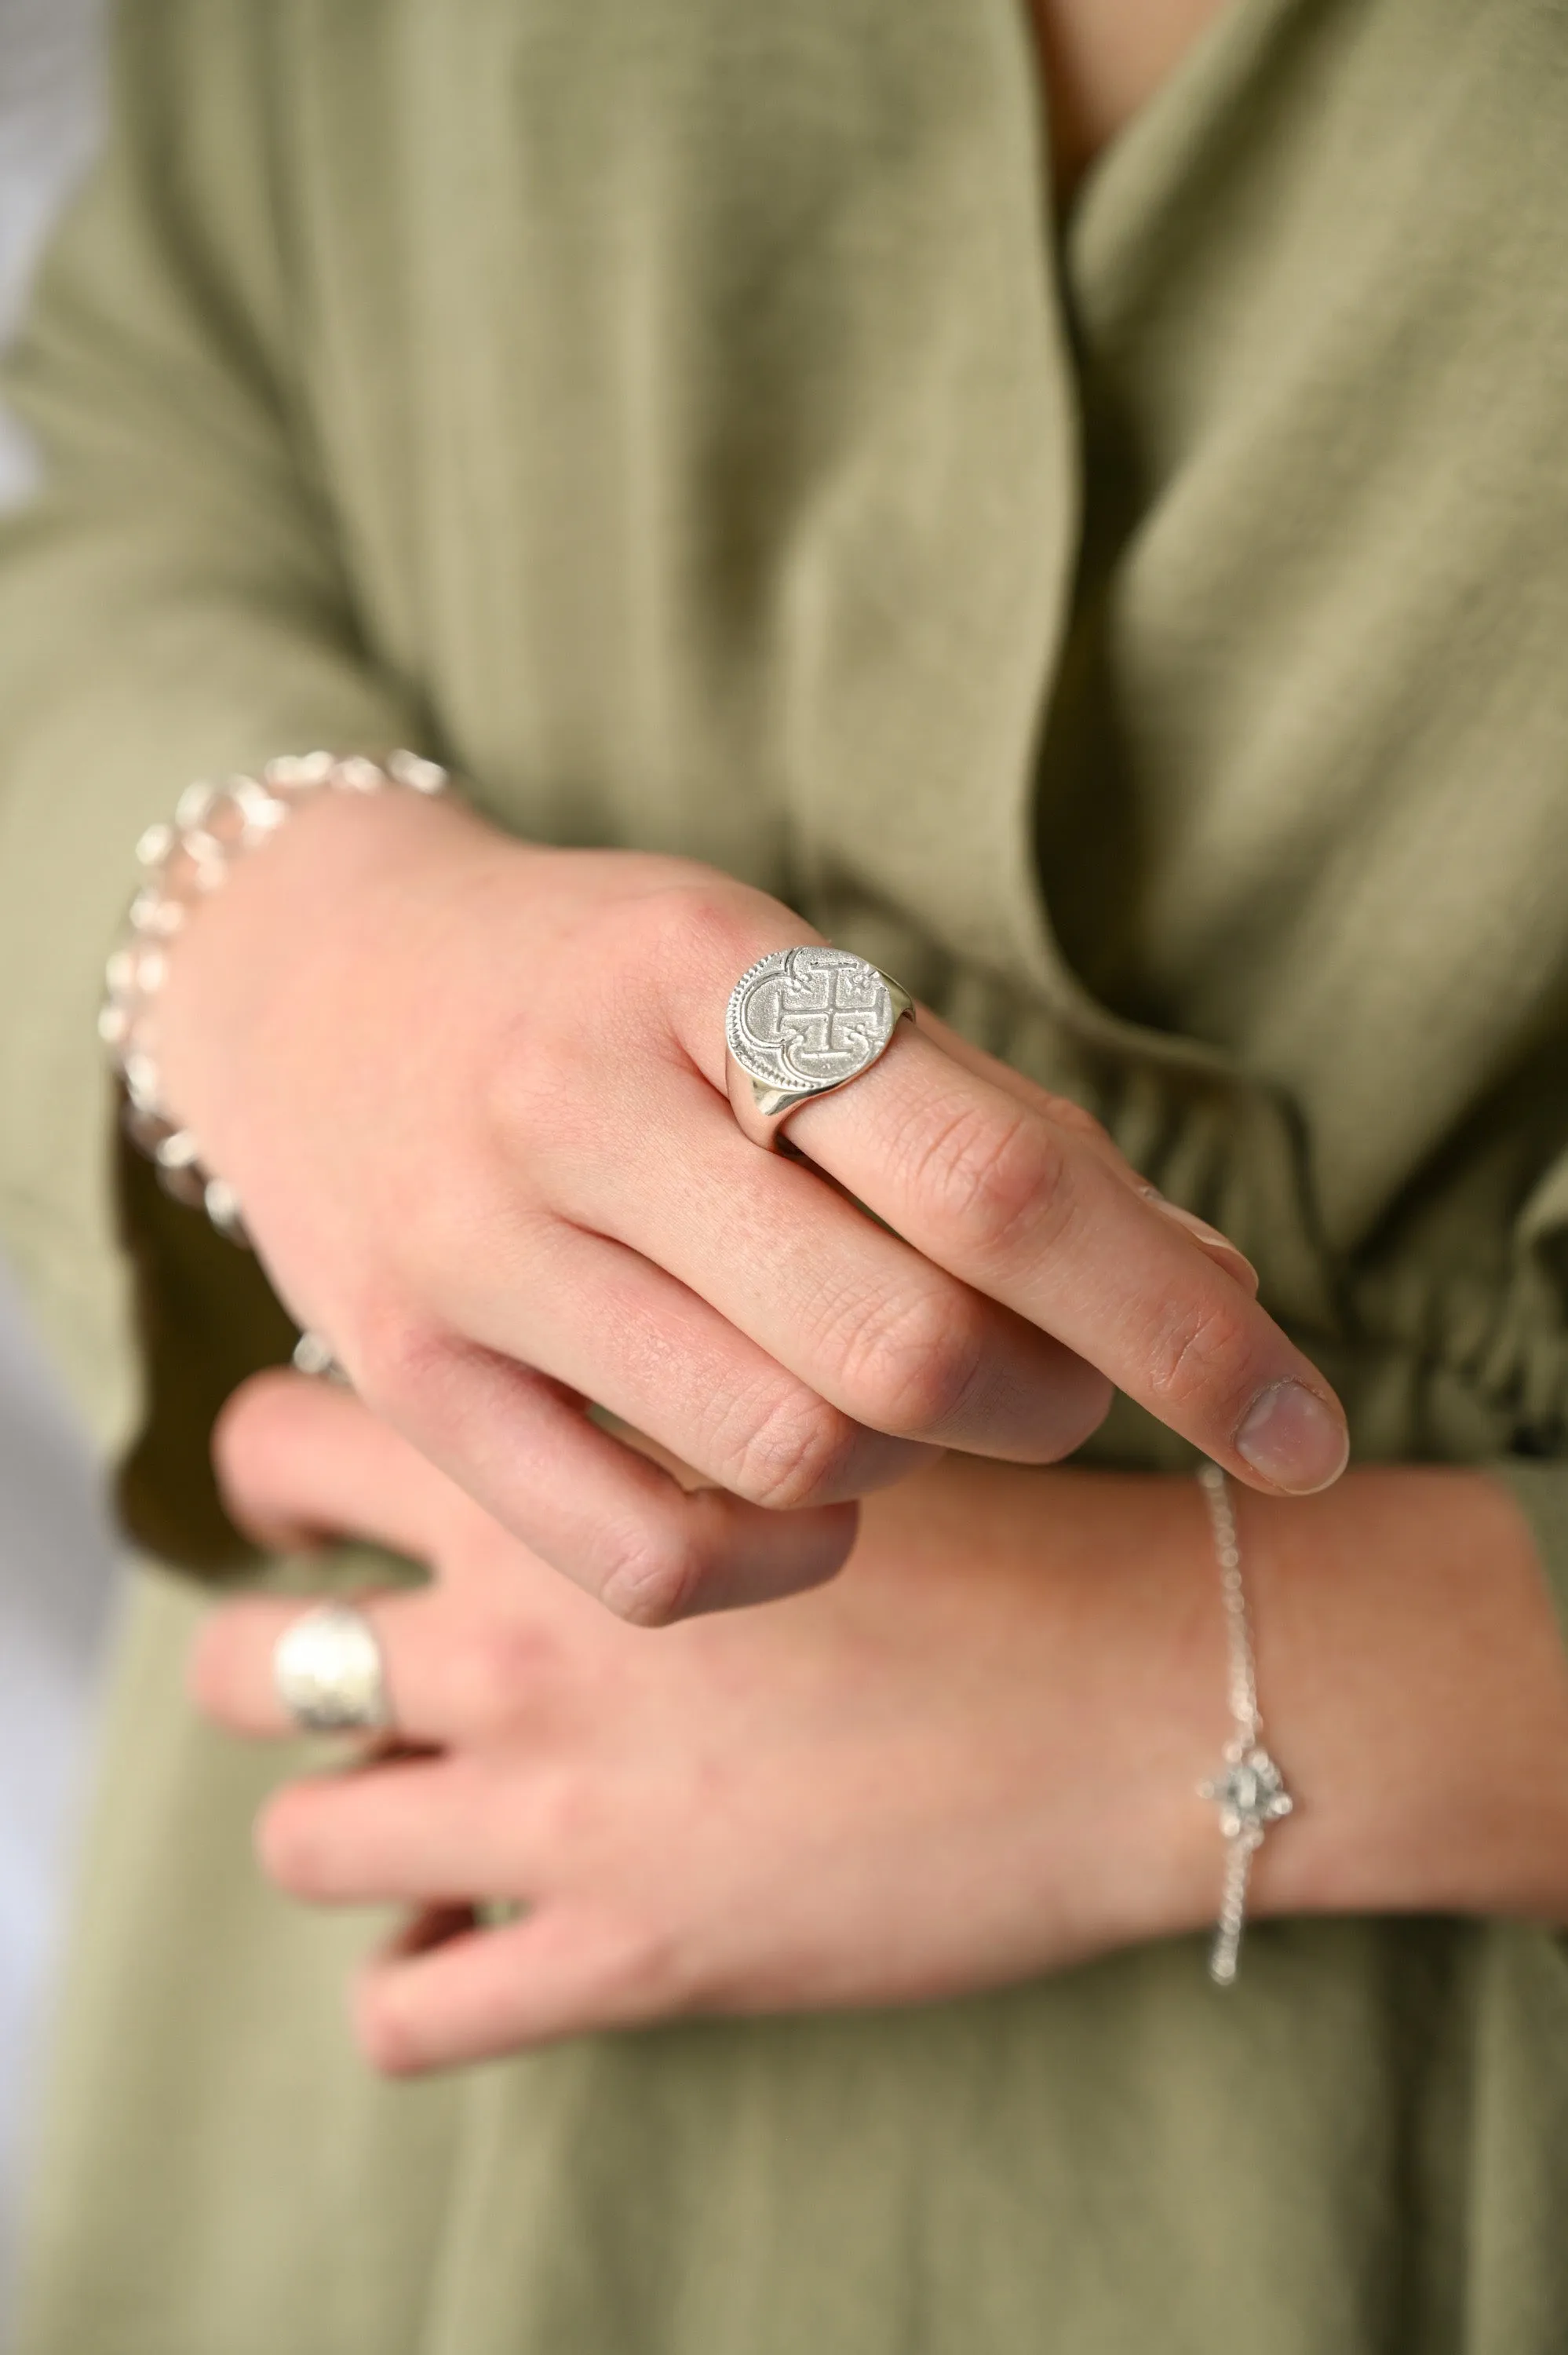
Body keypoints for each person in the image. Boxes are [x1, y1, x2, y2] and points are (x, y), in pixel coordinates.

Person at [2, 0, 1567, 2346]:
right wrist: (272, 915)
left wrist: (1286, 1679)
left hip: (1374, 2142)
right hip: (361, 2006)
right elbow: (142, 432)